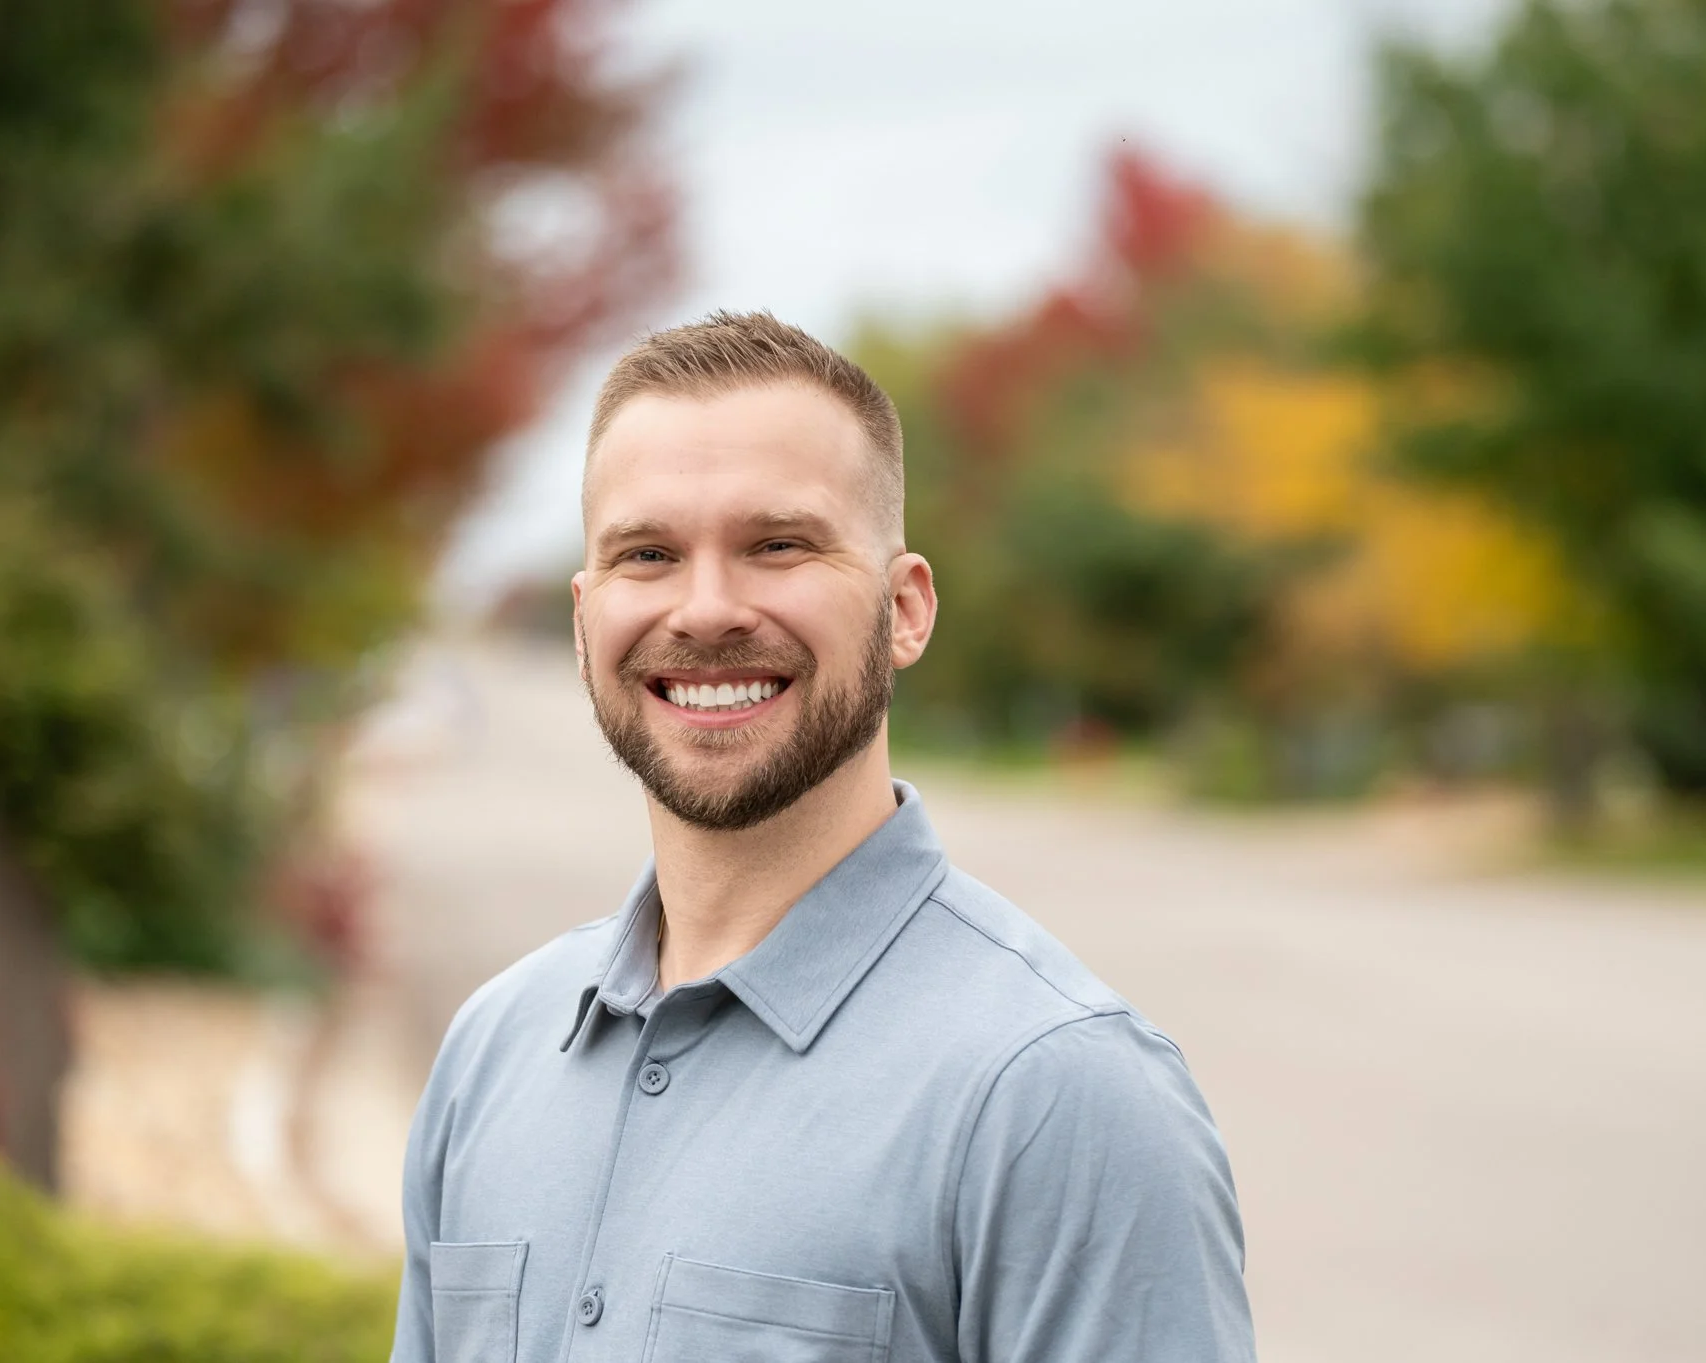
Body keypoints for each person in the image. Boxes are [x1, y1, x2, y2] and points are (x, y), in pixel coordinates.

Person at [390, 311, 1256, 1363]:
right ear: (583, 622)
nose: (705, 609)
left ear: (904, 608)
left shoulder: (1060, 1096)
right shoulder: (494, 1050)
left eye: (777, 545)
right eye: (648, 553)